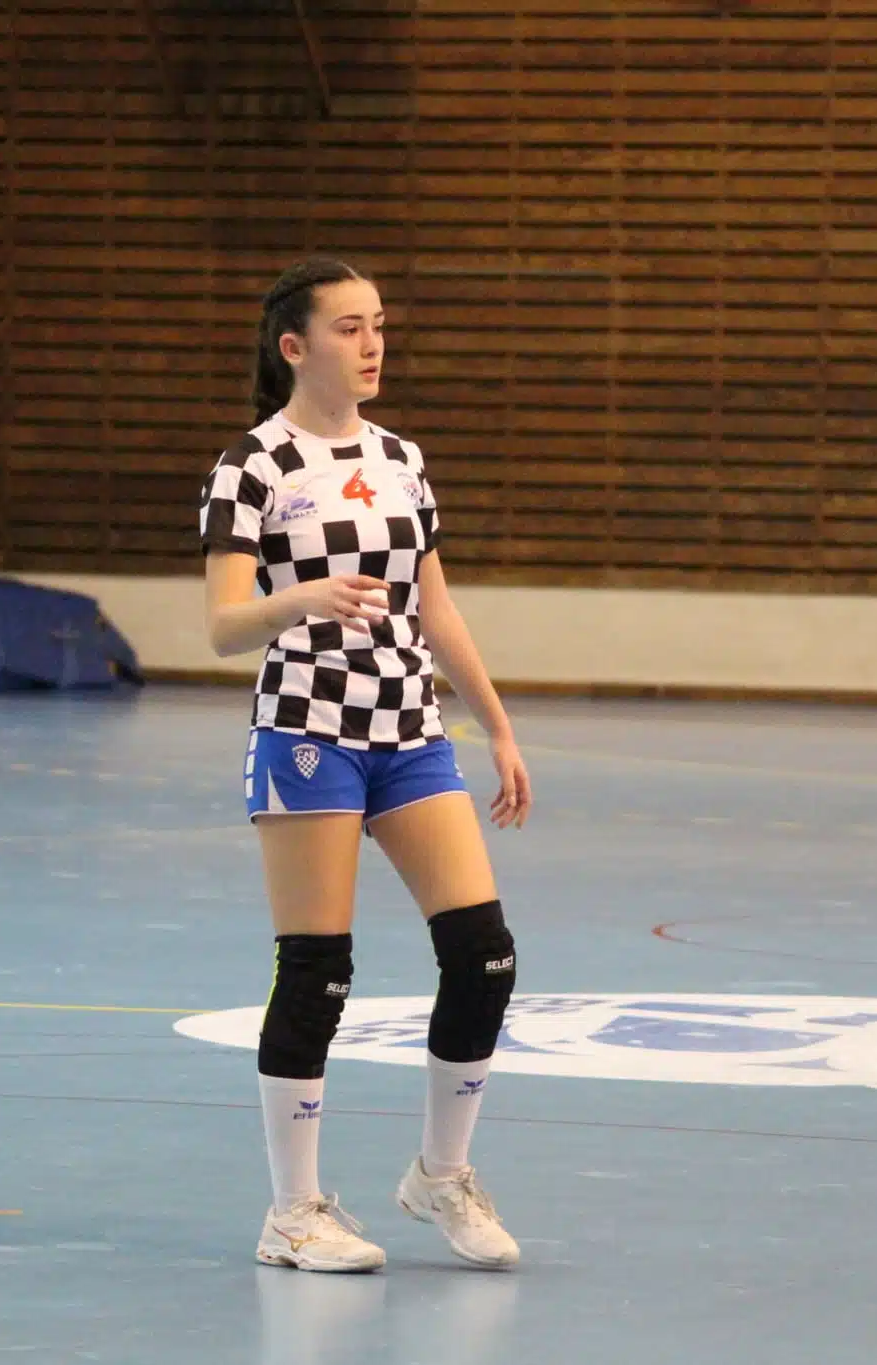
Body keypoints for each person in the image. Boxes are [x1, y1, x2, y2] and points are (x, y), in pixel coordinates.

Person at [198, 256, 533, 1273]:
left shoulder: (399, 459)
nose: (372, 343)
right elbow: (223, 626)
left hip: (408, 730)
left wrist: (497, 726)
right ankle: (293, 1212)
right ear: (294, 347)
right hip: (308, 729)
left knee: (483, 954)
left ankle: (441, 1175)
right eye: (349, 328)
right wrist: (302, 599)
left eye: (378, 324)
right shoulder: (253, 467)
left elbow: (435, 606)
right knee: (318, 970)